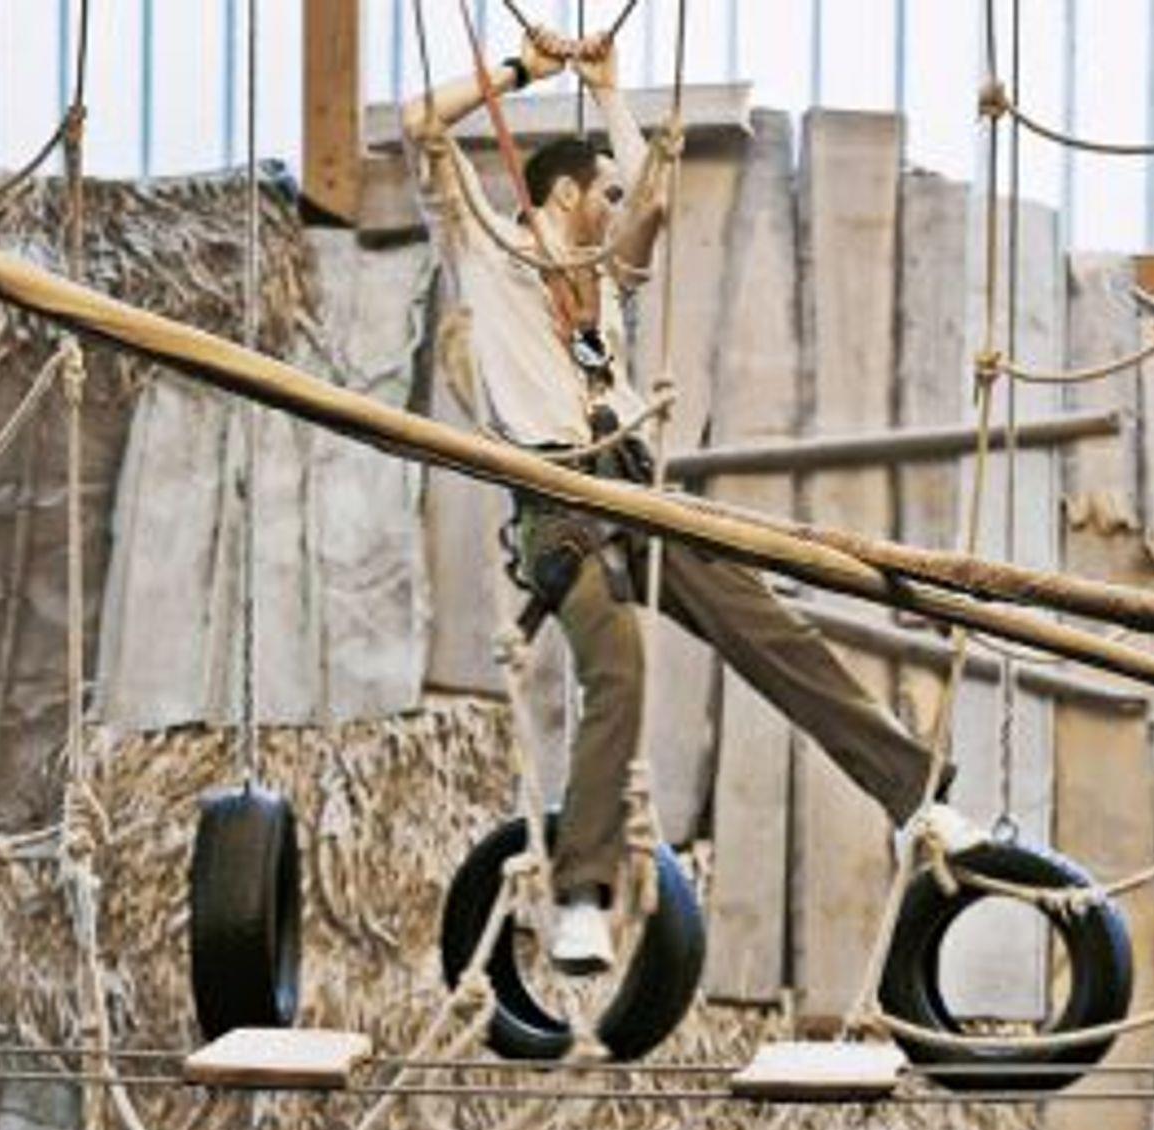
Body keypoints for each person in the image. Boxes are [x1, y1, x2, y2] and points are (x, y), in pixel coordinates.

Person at [404, 27, 977, 974]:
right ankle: (581, 896)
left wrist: (610, 91)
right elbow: (424, 120)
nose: (618, 207)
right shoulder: (490, 249)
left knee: (770, 629)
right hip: (557, 500)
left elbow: (656, 201)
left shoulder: (600, 286)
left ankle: (913, 796)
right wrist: (524, 73)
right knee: (618, 666)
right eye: (602, 194)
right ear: (562, 196)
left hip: (637, 487)